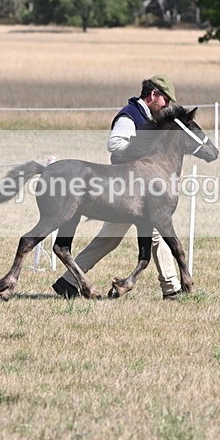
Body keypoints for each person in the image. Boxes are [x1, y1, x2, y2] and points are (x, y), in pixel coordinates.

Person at [51, 75, 183, 299]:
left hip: (136, 192)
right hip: (125, 189)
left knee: (110, 238)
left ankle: (68, 282)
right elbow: (115, 144)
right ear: (153, 95)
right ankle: (172, 289)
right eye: (165, 100)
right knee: (158, 234)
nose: (167, 106)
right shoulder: (130, 116)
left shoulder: (149, 117)